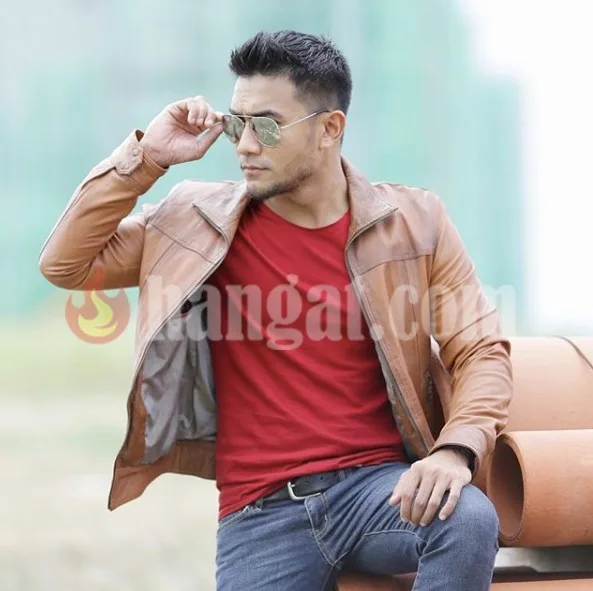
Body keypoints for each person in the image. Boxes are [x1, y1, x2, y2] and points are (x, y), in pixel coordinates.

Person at [39, 30, 512, 591]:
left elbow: (481, 350)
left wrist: (455, 451)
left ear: (329, 129)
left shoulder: (415, 223)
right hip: (261, 515)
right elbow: (65, 265)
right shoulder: (194, 220)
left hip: (379, 492)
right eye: (236, 124)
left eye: (265, 127)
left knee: (467, 519)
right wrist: (147, 158)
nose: (244, 145)